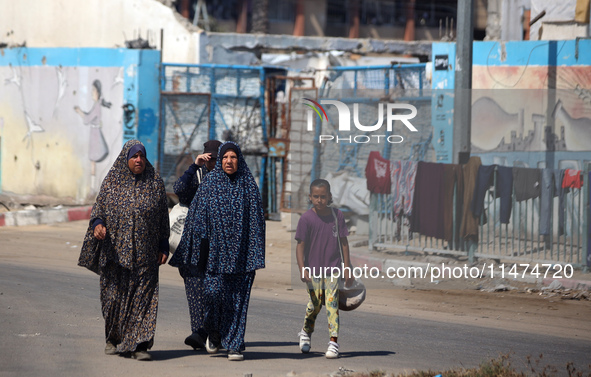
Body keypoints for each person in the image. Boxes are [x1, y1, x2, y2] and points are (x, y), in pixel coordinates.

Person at [169, 141, 265, 361]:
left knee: (238, 301)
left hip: (241, 256)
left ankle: (234, 345)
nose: (228, 161)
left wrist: (255, 253)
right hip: (214, 256)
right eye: (224, 158)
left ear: (239, 160)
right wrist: (196, 248)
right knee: (213, 294)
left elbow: (257, 222)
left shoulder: (248, 184)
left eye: (233, 157)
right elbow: (195, 217)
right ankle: (212, 331)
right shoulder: (209, 183)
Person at [78, 139, 170, 361]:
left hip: (146, 255)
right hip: (115, 254)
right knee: (113, 298)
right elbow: (98, 210)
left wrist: (163, 244)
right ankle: (113, 337)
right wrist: (98, 225)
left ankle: (140, 345)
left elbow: (163, 218)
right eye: (134, 156)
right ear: (125, 158)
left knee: (144, 299)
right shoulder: (112, 182)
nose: (139, 160)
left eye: (142, 156)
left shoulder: (155, 182)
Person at [172, 139, 221, 351]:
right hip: (193, 243)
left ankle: (210, 332)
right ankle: (198, 332)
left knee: (213, 290)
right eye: (209, 158)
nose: (213, 162)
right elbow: (180, 190)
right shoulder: (198, 174)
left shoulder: (230, 178)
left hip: (218, 244)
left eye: (216, 158)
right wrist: (195, 165)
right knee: (194, 287)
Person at [295, 179, 353, 359]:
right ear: (310, 197)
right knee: (315, 304)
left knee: (332, 304)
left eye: (323, 196)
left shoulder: (338, 216)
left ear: (329, 197)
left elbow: (344, 242)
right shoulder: (306, 219)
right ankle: (306, 331)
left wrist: (347, 267)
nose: (319, 200)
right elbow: (300, 246)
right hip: (313, 271)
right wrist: (302, 268)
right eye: (316, 197)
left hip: (333, 269)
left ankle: (333, 342)